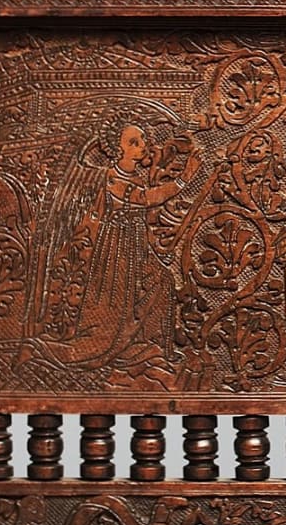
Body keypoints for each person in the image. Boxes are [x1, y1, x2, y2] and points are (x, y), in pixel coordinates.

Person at [19, 116, 199, 389]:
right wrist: (184, 180)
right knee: (107, 326)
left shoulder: (132, 176)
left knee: (161, 281)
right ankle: (41, 350)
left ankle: (145, 348)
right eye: (133, 142)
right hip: (114, 256)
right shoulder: (111, 178)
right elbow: (146, 199)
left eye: (142, 141)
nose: (143, 146)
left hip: (135, 250)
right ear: (118, 148)